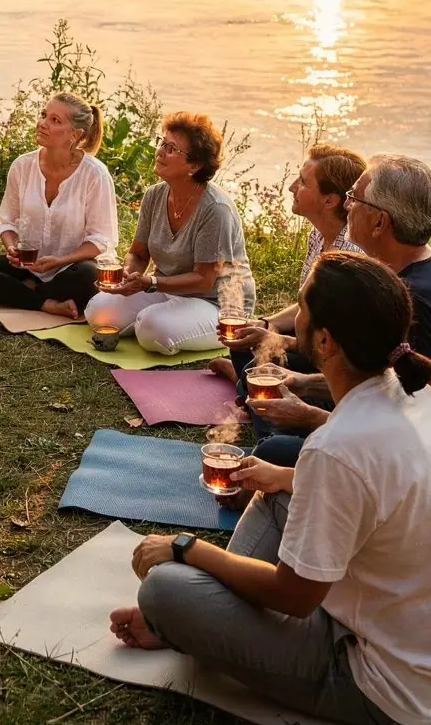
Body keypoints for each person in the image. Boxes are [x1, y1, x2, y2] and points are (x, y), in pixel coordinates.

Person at [110, 252, 431, 725]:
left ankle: (189, 618)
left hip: (376, 678)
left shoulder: (339, 449)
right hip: (392, 627)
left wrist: (186, 549)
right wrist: (281, 476)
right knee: (279, 488)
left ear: (324, 339)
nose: (294, 315)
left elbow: (294, 597)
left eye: (301, 306)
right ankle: (199, 620)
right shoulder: (411, 395)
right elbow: (366, 489)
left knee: (163, 587)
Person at [248, 154, 431, 466]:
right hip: (368, 419)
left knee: (271, 451)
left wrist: (309, 418)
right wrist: (301, 382)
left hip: (394, 454)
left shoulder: (413, 302)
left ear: (379, 222)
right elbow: (377, 378)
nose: (346, 206)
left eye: (354, 197)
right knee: (262, 372)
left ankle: (288, 448)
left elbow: (401, 432)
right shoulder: (389, 277)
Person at [85, 112, 254, 354]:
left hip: (217, 304)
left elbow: (203, 280)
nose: (161, 151)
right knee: (98, 311)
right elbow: (139, 253)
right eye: (162, 143)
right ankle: (160, 317)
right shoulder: (154, 195)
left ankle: (161, 320)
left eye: (172, 148)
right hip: (166, 290)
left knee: (151, 328)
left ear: (194, 166)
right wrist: (129, 277)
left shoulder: (215, 210)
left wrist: (151, 283)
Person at [212, 142, 365, 388]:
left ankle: (240, 382)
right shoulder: (317, 235)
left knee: (261, 367)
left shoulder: (350, 256)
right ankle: (243, 382)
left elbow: (338, 346)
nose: (292, 187)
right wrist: (266, 323)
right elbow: (308, 305)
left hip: (330, 353)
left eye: (303, 182)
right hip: (310, 336)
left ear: (330, 201)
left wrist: (278, 339)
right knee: (247, 340)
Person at [0, 93, 117, 319]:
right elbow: (8, 222)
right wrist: (11, 248)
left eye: (55, 120)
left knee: (89, 276)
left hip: (72, 268)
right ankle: (46, 303)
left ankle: (14, 292)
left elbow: (101, 240)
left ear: (75, 134)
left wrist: (60, 260)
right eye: (43, 115)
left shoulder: (94, 174)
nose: (43, 123)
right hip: (28, 266)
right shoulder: (22, 166)